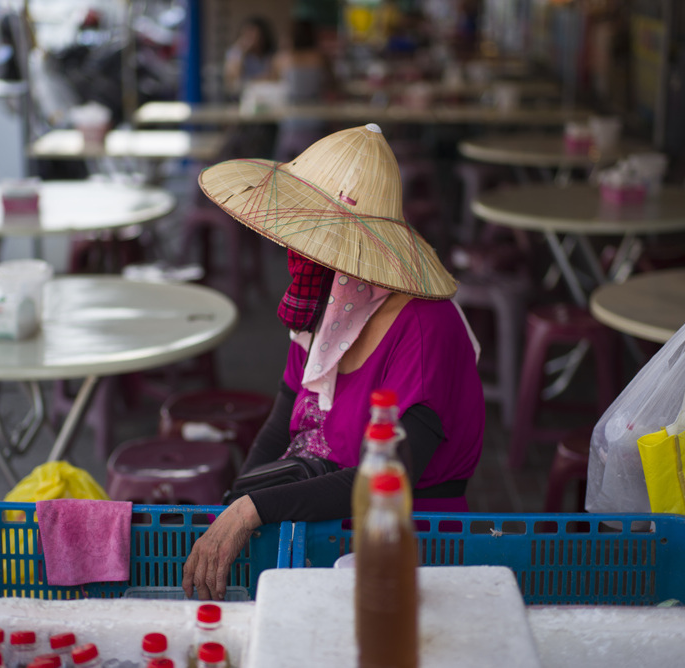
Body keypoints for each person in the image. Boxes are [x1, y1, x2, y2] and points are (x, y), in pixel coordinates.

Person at [182, 124, 485, 601]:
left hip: (406, 546)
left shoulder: (428, 327)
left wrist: (253, 509)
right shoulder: (328, 302)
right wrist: (236, 500)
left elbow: (389, 476)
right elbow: (285, 415)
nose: (296, 249)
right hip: (317, 517)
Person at [271, 19, 332, 162]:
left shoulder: (283, 59)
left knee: (283, 164)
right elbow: (333, 83)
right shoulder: (321, 57)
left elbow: (272, 84)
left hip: (290, 120)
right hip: (316, 118)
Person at [223, 16, 276, 100]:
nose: (251, 39)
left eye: (254, 34)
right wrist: (241, 51)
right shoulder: (236, 52)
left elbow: (273, 78)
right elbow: (232, 83)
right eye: (247, 35)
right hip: (241, 98)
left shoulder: (270, 54)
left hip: (267, 96)